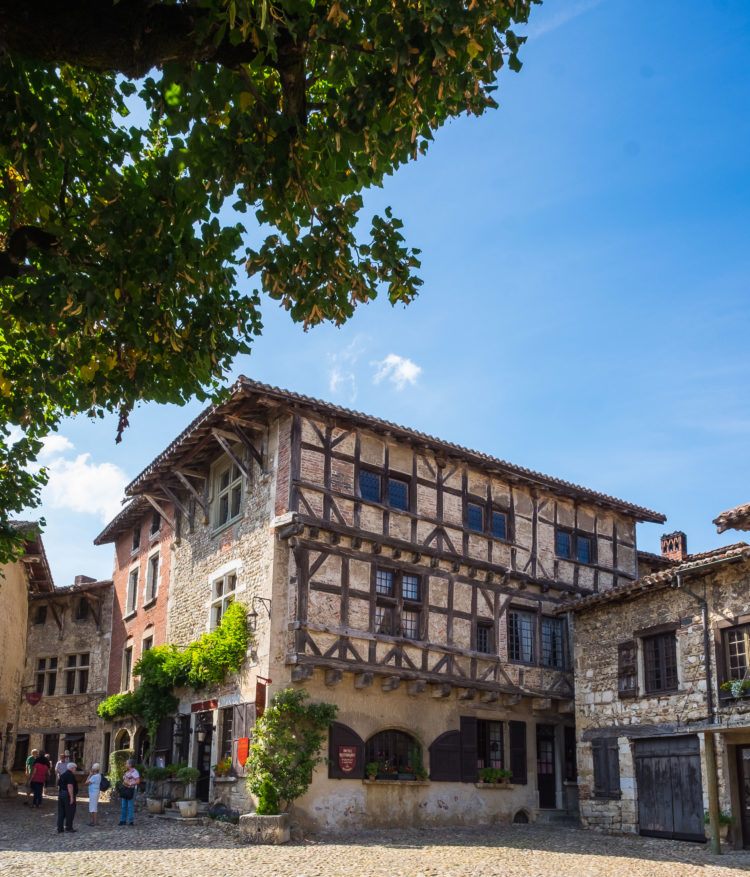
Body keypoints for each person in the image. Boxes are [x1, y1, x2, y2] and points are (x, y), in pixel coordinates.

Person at [57, 761, 78, 833]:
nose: (75, 770)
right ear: (72, 768)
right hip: (67, 795)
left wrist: (60, 794)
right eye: (75, 768)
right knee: (70, 811)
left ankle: (60, 828)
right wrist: (71, 797)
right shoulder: (70, 775)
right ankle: (68, 827)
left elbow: (59, 786)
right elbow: (70, 786)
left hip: (61, 794)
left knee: (61, 812)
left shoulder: (62, 775)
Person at [119, 759, 140, 826]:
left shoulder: (135, 772)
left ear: (130, 764)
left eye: (127, 763)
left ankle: (131, 821)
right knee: (123, 806)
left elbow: (138, 781)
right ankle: (123, 820)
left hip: (131, 790)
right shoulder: (127, 772)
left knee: (130, 805)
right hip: (125, 789)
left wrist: (130, 784)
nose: (126, 764)